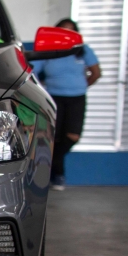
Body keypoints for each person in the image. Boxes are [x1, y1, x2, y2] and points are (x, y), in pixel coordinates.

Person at [31, 18, 101, 190]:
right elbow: (33, 72)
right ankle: (59, 176)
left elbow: (96, 73)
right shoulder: (48, 51)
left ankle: (49, 165)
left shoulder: (83, 51)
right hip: (54, 98)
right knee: (54, 136)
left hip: (77, 98)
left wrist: (82, 85)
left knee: (72, 136)